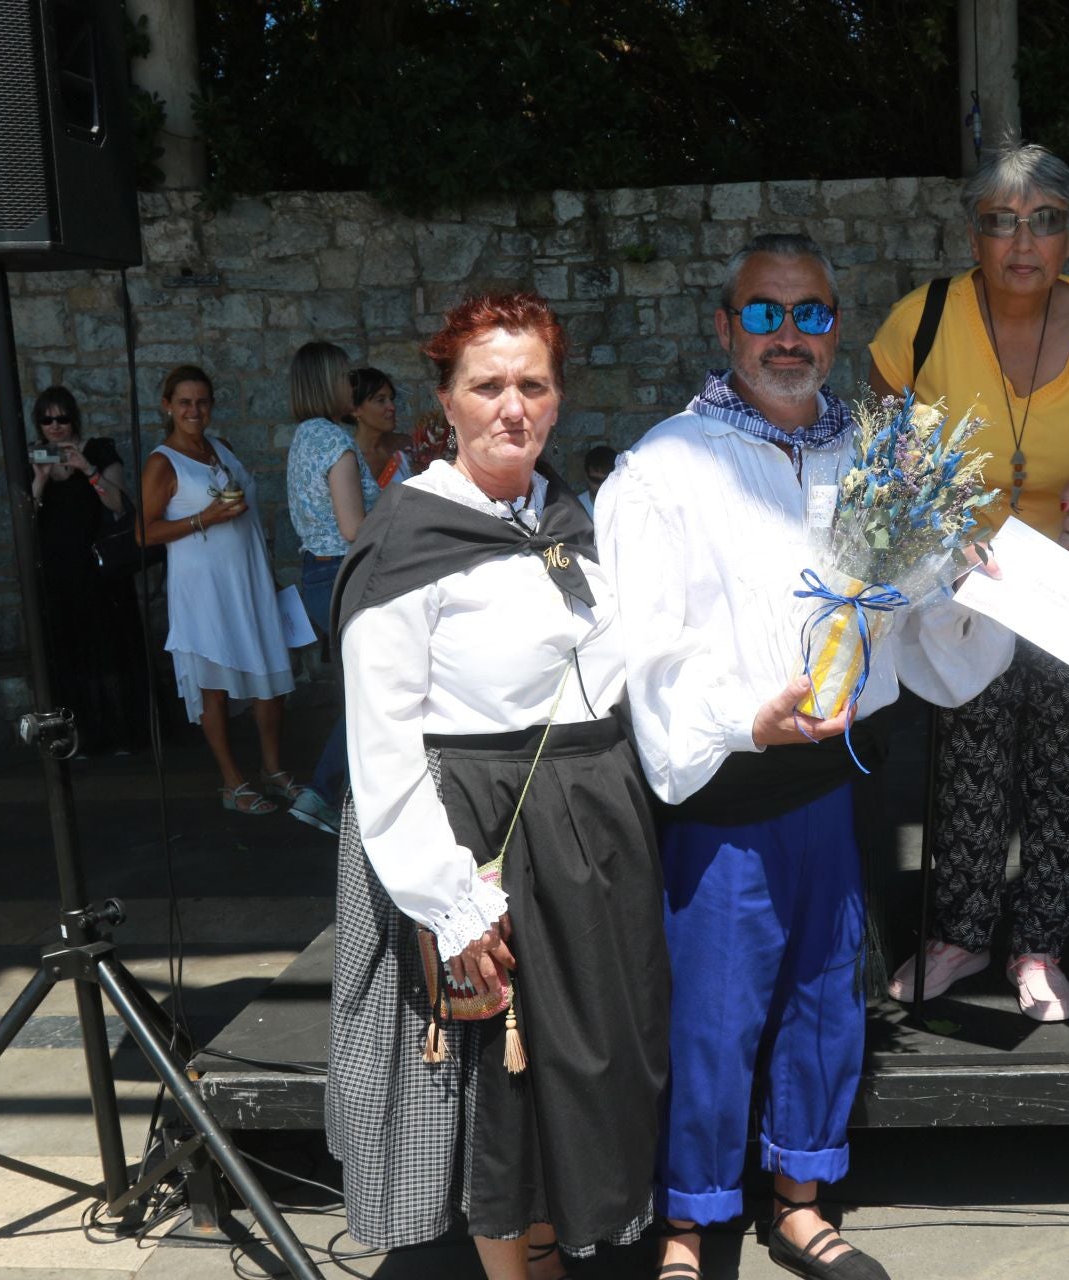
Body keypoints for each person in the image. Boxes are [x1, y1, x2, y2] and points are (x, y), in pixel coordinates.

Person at [599, 233, 1010, 1280]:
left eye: (811, 314)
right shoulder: (663, 469)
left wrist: (966, 577)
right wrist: (746, 718)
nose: (789, 335)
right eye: (765, 313)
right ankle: (688, 1222)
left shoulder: (873, 458)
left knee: (826, 998)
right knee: (713, 1014)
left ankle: (799, 1198)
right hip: (728, 787)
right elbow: (645, 648)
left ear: (836, 327)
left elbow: (927, 631)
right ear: (725, 325)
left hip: (840, 777)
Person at [326, 292, 667, 1280]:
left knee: (583, 1068)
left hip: (589, 827)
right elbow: (382, 747)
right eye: (488, 386)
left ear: (558, 397)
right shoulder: (407, 541)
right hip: (479, 836)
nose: (513, 407)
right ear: (445, 399)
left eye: (534, 384)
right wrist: (452, 901)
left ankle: (553, 1254)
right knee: (498, 1091)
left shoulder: (561, 515)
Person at [868, 141, 1069, 1022]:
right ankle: (958, 934)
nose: (1023, 242)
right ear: (973, 235)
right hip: (964, 578)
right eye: (1002, 221)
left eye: (1045, 221)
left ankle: (1039, 947)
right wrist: (930, 522)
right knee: (968, 758)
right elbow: (882, 446)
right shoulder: (922, 320)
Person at [137, 365, 302, 816]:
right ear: (167, 406)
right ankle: (232, 782)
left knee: (270, 674)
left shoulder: (222, 448)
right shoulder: (162, 463)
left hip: (247, 577)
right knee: (213, 682)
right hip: (203, 587)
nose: (194, 410)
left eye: (202, 401)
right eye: (184, 402)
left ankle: (273, 769)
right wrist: (204, 518)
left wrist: (267, 571)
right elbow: (142, 532)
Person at [28, 386, 151, 756]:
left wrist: (87, 469)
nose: (55, 426)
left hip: (99, 570)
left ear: (74, 418)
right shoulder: (34, 459)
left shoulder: (98, 451)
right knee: (69, 654)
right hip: (57, 573)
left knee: (110, 648)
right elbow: (23, 520)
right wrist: (40, 479)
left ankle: (123, 734)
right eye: (46, 420)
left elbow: (119, 504)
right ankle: (79, 736)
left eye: (62, 417)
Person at [285, 341, 375, 835]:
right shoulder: (334, 442)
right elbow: (353, 527)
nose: (350, 385)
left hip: (317, 576)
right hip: (346, 575)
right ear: (326, 383)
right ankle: (323, 792)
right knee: (369, 694)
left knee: (362, 690)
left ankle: (332, 794)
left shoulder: (304, 437)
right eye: (344, 377)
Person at [349, 366, 414, 489]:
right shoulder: (351, 461)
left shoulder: (405, 445)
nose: (392, 407)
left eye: (391, 399)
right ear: (355, 409)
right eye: (381, 400)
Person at [578, 443, 617, 518]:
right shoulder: (577, 507)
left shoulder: (627, 504)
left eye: (607, 481)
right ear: (586, 476)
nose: (602, 486)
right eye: (596, 480)